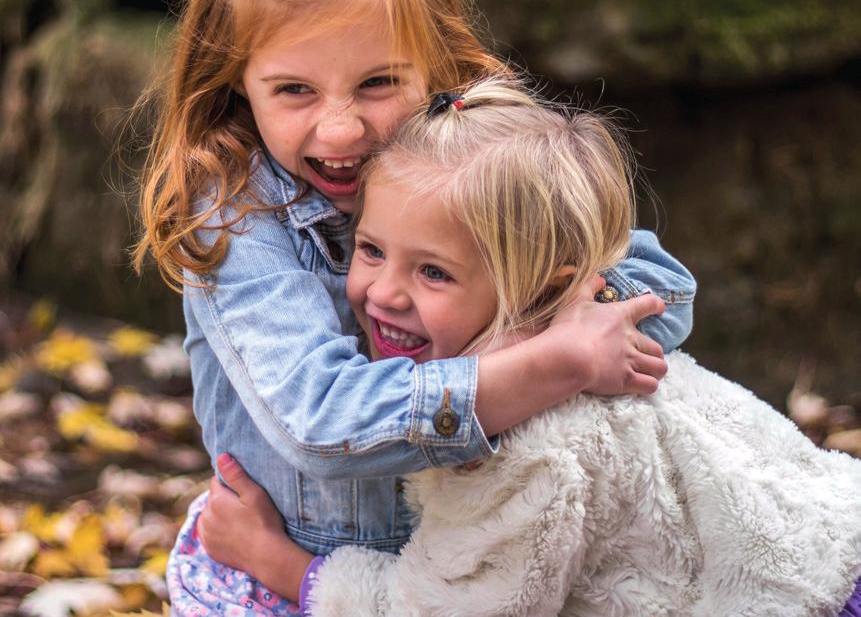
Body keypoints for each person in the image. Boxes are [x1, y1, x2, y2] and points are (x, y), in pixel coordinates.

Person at [133, 0, 695, 614]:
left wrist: (550, 328)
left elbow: (660, 291)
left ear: (433, 60)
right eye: (294, 90)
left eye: (376, 84)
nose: (341, 128)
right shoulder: (237, 215)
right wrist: (541, 364)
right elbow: (321, 420)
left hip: (466, 564)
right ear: (237, 78)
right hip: (285, 571)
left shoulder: (472, 161)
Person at [199, 79, 861, 617]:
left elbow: (442, 612)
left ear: (539, 285)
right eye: (370, 249)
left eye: (434, 272)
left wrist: (278, 563)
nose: (383, 292)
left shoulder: (527, 443)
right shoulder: (581, 340)